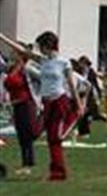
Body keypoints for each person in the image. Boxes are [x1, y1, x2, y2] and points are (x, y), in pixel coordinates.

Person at [0, 31, 82, 181]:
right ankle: (56, 172)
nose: (40, 50)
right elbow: (22, 51)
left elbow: (71, 84)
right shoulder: (43, 61)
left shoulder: (64, 62)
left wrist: (78, 103)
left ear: (48, 46)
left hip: (59, 102)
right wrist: (3, 37)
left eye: (42, 46)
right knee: (45, 136)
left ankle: (58, 173)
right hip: (47, 103)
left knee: (54, 138)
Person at [2, 43, 41, 174]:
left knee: (28, 134)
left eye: (14, 51)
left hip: (26, 104)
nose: (12, 53)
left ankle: (28, 164)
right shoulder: (12, 68)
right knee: (22, 135)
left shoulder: (27, 69)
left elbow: (41, 79)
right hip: (16, 104)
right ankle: (26, 163)